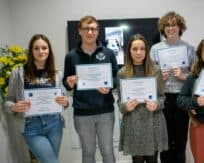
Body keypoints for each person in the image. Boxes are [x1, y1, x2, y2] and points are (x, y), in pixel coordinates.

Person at [4, 34, 69, 163]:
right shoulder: (18, 73)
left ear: (49, 50)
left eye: (44, 48)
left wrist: (65, 102)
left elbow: (64, 100)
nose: (41, 51)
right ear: (31, 51)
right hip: (31, 126)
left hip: (54, 124)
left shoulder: (56, 73)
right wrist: (13, 107)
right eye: (36, 48)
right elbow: (7, 101)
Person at [63, 15, 118, 163]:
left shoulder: (109, 53)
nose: (89, 32)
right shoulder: (70, 56)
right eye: (86, 29)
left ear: (98, 31)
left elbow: (116, 78)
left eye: (93, 29)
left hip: (105, 110)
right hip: (82, 113)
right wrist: (70, 82)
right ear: (80, 31)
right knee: (88, 151)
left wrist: (110, 85)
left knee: (107, 150)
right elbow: (66, 82)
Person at [150, 11, 195, 163]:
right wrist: (158, 77)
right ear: (163, 28)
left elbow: (196, 77)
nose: (170, 28)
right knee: (165, 141)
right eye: (167, 25)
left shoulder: (189, 48)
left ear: (180, 27)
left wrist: (184, 76)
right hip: (163, 98)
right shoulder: (155, 49)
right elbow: (148, 77)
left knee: (181, 140)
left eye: (174, 24)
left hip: (182, 98)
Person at [117, 34, 168, 163]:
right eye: (135, 49)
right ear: (129, 51)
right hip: (133, 122)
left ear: (146, 50)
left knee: (153, 160)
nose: (138, 52)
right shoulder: (122, 73)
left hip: (153, 121)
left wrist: (156, 104)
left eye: (142, 48)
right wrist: (125, 107)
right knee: (137, 160)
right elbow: (120, 102)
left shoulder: (156, 71)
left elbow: (162, 97)